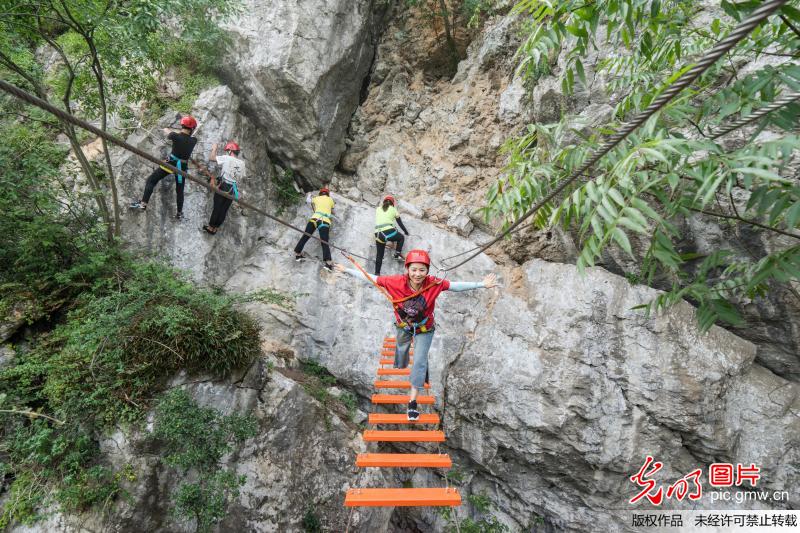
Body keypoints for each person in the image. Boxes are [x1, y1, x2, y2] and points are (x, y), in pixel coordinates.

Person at [335, 249, 498, 420]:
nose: (417, 274)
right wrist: (347, 270)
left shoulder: (434, 283)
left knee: (419, 362)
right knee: (401, 353)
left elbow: (455, 286)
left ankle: (412, 402)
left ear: (427, 270)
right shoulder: (395, 282)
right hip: (403, 327)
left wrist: (481, 284)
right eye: (413, 269)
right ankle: (406, 363)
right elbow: (371, 278)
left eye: (422, 270)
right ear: (407, 269)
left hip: (425, 329)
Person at [130, 115, 198, 219]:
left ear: (182, 125)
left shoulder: (175, 136)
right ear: (192, 128)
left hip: (171, 164)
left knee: (151, 180)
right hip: (182, 168)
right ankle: (179, 213)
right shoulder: (194, 140)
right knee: (180, 191)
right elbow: (183, 136)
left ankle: (143, 204)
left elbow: (169, 133)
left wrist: (166, 129)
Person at [202, 141, 245, 235]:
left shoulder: (227, 158)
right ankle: (215, 228)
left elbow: (211, 158)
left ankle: (210, 227)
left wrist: (214, 148)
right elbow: (240, 177)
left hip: (224, 185)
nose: (226, 152)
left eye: (227, 151)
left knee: (217, 207)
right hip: (233, 189)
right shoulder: (242, 163)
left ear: (230, 151)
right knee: (224, 209)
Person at [294, 187, 335, 271]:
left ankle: (297, 254)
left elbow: (308, 200)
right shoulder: (330, 200)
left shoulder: (316, 198)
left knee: (305, 236)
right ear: (327, 194)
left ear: (320, 193)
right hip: (324, 221)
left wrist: (310, 195)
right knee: (324, 241)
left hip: (314, 219)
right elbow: (332, 211)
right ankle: (328, 263)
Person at [374, 194, 410, 275]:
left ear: (384, 202)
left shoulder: (378, 209)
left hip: (378, 233)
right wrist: (406, 232)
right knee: (401, 237)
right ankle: (397, 255)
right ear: (392, 203)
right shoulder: (393, 209)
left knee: (379, 255)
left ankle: (377, 273)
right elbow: (400, 223)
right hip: (388, 232)